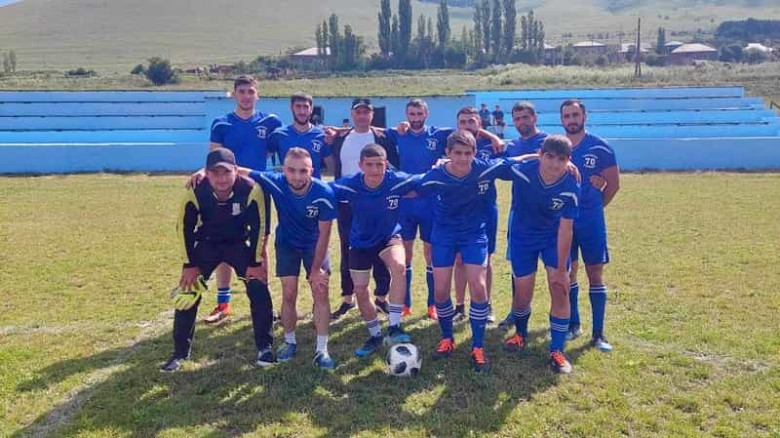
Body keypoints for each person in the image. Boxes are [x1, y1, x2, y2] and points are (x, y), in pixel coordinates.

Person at [161, 148, 274, 372]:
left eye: (226, 172)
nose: (221, 179)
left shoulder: (252, 189)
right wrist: (189, 265)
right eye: (215, 173)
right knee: (187, 291)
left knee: (258, 287)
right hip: (207, 244)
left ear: (236, 171)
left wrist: (254, 263)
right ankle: (179, 353)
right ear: (207, 173)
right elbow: (183, 228)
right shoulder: (195, 190)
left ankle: (265, 347)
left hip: (237, 244)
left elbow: (260, 228)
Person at [415, 130, 514, 373]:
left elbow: (517, 161)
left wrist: (560, 163)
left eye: (467, 153)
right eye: (457, 153)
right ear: (447, 153)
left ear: (474, 153)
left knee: (478, 287)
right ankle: (447, 338)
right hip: (444, 235)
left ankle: (477, 346)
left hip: (473, 234)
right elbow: (413, 186)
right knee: (440, 290)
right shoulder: (437, 174)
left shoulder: (483, 168)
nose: (462, 158)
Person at [241, 147, 337, 370]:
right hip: (287, 244)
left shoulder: (324, 193)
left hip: (314, 246)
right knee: (289, 292)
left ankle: (322, 349)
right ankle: (290, 341)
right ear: (283, 170)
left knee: (320, 291)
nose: (297, 176)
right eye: (291, 170)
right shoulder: (276, 182)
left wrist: (316, 270)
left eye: (303, 171)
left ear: (312, 170)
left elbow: (324, 235)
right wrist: (203, 172)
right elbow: (239, 170)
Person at [499, 135, 580, 374]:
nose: (555, 164)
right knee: (522, 294)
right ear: (540, 154)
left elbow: (566, 228)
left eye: (562, 159)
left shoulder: (571, 185)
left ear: (569, 160)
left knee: (560, 287)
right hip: (523, 238)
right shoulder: (523, 170)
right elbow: (488, 167)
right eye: (549, 157)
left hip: (552, 238)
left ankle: (557, 350)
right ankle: (521, 334)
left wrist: (562, 270)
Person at [330, 144, 419, 357]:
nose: (375, 170)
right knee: (360, 289)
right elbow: (322, 190)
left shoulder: (397, 180)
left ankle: (394, 327)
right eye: (369, 165)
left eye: (379, 164)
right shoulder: (349, 184)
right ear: (361, 165)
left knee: (399, 267)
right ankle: (375, 335)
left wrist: (443, 167)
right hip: (360, 242)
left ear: (386, 164)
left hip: (389, 237)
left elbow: (424, 181)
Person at [206, 75, 279, 324]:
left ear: (258, 94)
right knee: (224, 241)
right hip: (228, 191)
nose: (246, 96)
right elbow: (214, 159)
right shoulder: (222, 123)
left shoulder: (270, 122)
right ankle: (223, 303)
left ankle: (265, 304)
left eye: (250, 91)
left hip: (259, 190)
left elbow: (278, 147)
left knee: (262, 243)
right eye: (242, 91)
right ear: (234, 94)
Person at [329, 98, 399, 320]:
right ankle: (347, 297)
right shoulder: (340, 138)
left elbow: (394, 165)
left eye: (366, 112)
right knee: (347, 249)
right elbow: (332, 165)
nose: (362, 116)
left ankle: (381, 297)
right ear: (352, 114)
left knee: (380, 248)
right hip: (347, 204)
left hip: (377, 202)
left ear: (371, 115)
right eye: (358, 112)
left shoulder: (382, 138)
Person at [560, 99, 620, 352]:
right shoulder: (556, 147)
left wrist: (596, 206)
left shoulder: (600, 147)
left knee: (595, 273)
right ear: (561, 119)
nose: (571, 120)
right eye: (567, 116)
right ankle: (573, 325)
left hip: (591, 220)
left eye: (575, 115)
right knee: (567, 273)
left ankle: (598, 334)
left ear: (584, 116)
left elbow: (613, 185)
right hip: (564, 221)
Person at [385, 98, 452, 320]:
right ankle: (405, 303)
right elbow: (368, 129)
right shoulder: (397, 133)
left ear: (426, 114)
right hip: (405, 203)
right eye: (411, 114)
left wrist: (493, 137)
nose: (415, 118)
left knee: (430, 253)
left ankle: (433, 304)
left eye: (419, 114)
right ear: (406, 115)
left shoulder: (438, 134)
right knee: (405, 254)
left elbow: (467, 130)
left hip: (430, 202)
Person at [498, 101, 550, 329]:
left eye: (525, 117)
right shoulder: (512, 146)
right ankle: (515, 312)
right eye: (517, 119)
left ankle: (564, 317)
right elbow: (502, 169)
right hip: (519, 213)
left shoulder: (549, 142)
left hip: (550, 214)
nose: (521, 122)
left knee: (557, 270)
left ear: (534, 117)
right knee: (518, 268)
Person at [450, 107, 504, 324]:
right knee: (459, 260)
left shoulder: (491, 146)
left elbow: (510, 161)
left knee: (485, 260)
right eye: (463, 121)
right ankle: (459, 306)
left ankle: (486, 305)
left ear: (479, 123)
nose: (467, 125)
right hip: (458, 210)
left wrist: (492, 137)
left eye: (471, 121)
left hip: (485, 208)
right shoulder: (452, 144)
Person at [268, 93, 335, 179]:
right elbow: (261, 158)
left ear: (311, 109)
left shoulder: (322, 136)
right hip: (287, 186)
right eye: (298, 106)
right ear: (291, 108)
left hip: (312, 186)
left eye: (305, 107)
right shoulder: (279, 134)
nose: (302, 111)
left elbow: (333, 168)